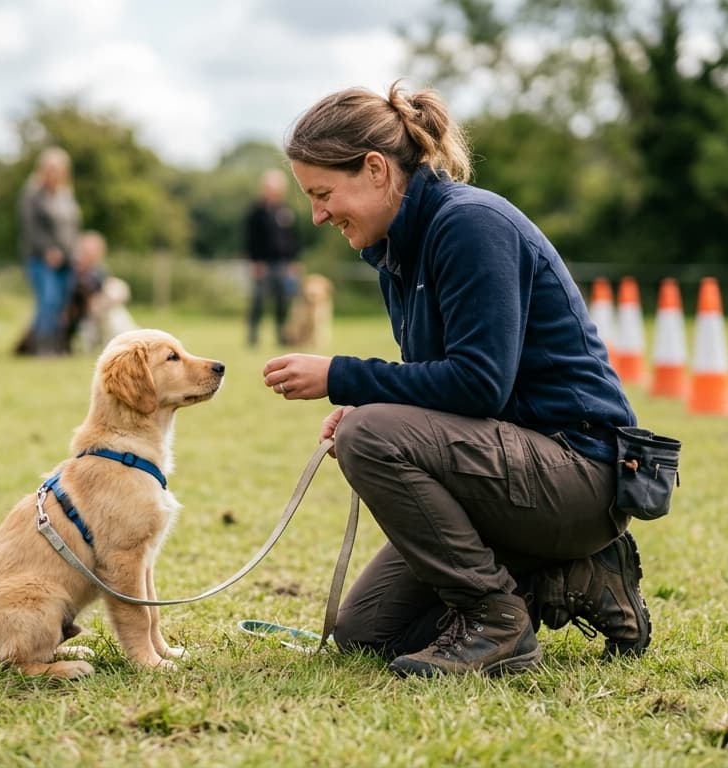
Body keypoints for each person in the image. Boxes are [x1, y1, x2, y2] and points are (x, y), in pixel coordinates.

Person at [262, 83, 650, 678]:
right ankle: (570, 577)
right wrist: (380, 407)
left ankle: (496, 620)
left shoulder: (471, 225)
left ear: (375, 170)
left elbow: (477, 384)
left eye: (322, 193)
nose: (317, 215)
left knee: (369, 435)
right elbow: (441, 391)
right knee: (366, 632)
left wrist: (345, 379)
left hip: (583, 473)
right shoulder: (397, 249)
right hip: (519, 472)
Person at [15, 146, 80, 356]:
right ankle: (43, 347)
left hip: (67, 259)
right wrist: (47, 250)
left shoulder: (66, 194)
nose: (55, 174)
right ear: (42, 170)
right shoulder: (32, 195)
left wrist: (74, 251)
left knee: (61, 304)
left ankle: (58, 345)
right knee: (48, 301)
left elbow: (72, 227)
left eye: (58, 169)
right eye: (51, 169)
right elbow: (31, 228)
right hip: (41, 259)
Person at [245, 168, 301, 347]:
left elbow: (293, 238)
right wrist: (255, 262)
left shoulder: (285, 211)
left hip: (283, 264)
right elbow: (250, 239)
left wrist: (293, 262)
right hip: (263, 263)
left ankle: (282, 335)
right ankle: (253, 335)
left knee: (282, 301)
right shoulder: (255, 212)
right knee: (258, 300)